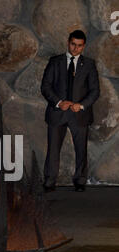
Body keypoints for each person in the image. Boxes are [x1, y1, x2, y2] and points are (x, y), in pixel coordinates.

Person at [41, 30, 100, 193]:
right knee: (53, 149)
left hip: (79, 114)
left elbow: (95, 91)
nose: (75, 48)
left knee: (81, 149)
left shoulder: (89, 64)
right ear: (68, 42)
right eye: (73, 44)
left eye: (79, 46)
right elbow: (45, 87)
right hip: (57, 113)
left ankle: (80, 180)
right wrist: (59, 103)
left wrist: (80, 105)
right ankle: (49, 180)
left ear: (84, 46)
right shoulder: (55, 62)